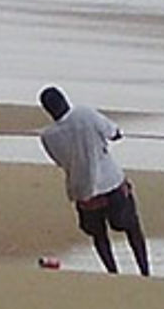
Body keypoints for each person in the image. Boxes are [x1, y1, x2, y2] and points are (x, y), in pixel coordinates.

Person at [38, 86, 150, 276]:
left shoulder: (48, 137)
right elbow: (113, 132)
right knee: (132, 227)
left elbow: (61, 162)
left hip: (83, 191)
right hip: (111, 183)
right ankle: (145, 271)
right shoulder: (84, 113)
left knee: (99, 236)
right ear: (65, 100)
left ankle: (112, 272)